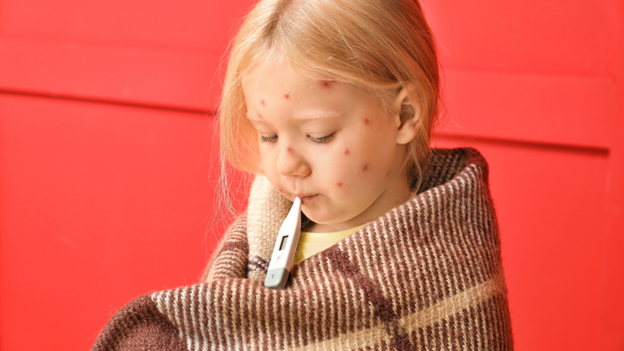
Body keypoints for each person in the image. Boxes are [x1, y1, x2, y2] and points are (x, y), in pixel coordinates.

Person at [93, 0, 513, 349]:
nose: (286, 165)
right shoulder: (256, 239)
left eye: (320, 135)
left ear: (404, 115)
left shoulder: (448, 274)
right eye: (269, 135)